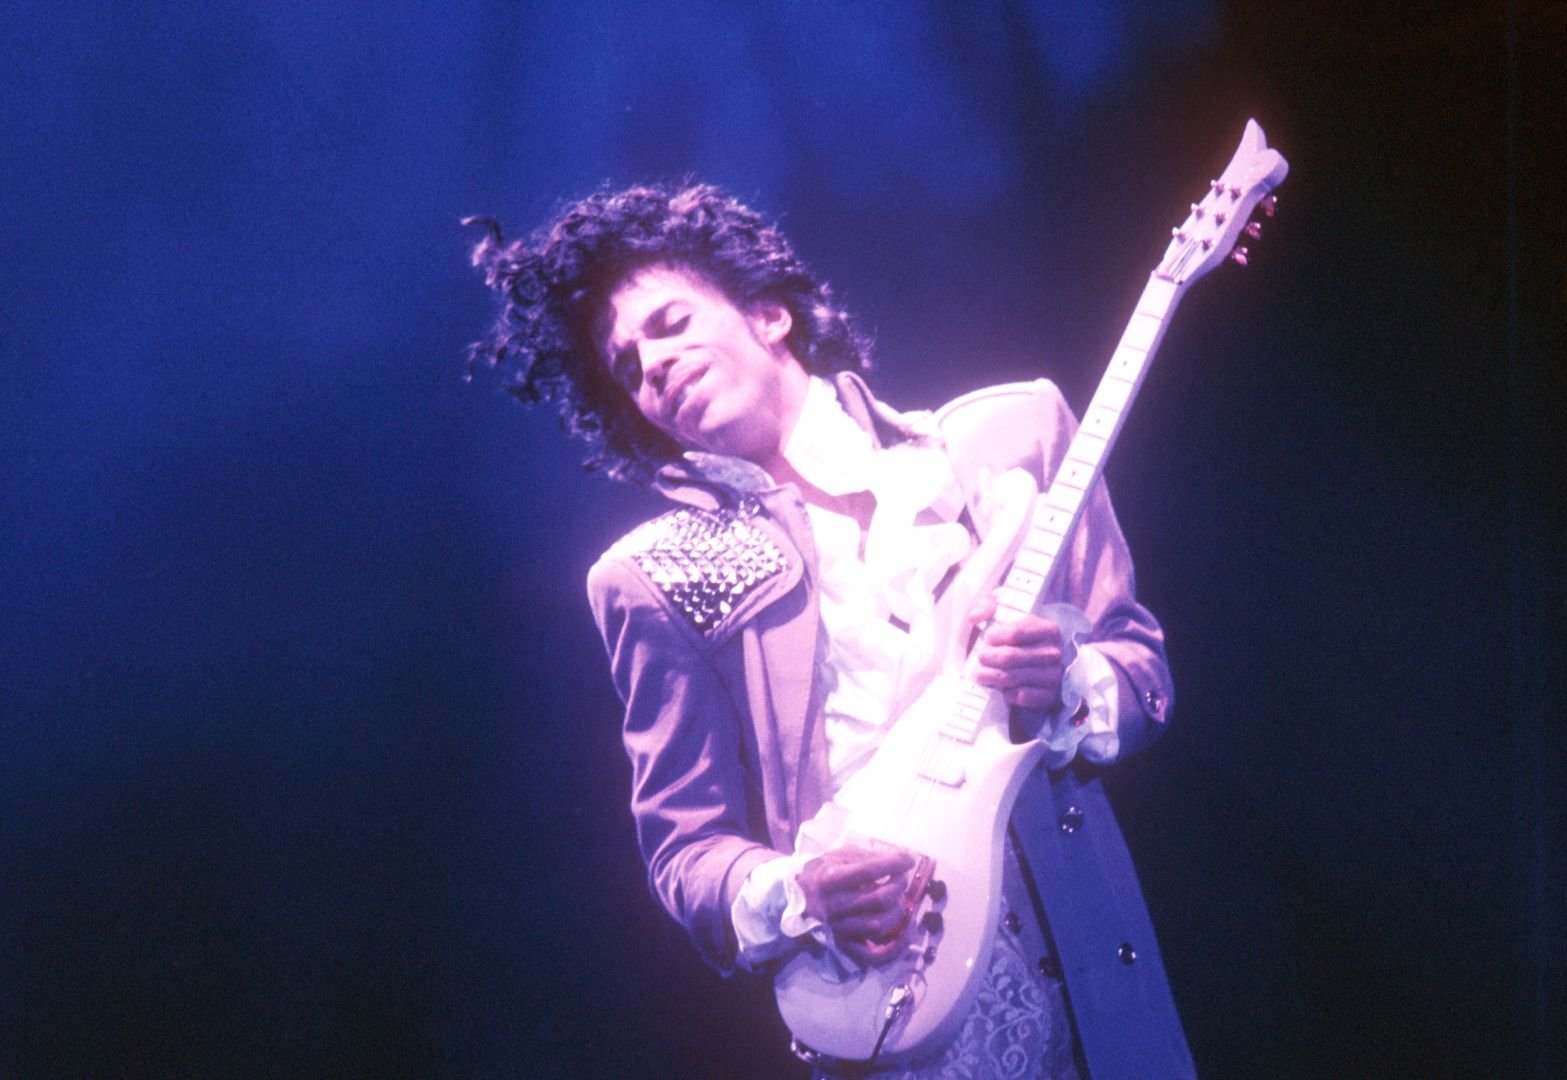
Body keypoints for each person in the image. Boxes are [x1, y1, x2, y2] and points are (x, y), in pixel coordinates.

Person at [468, 184, 1192, 1078]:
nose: (651, 364)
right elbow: (687, 852)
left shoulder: (1008, 440)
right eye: (626, 366)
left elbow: (1140, 667)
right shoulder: (653, 576)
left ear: (768, 315)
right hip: (893, 999)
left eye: (670, 324)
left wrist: (1069, 681)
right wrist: (801, 891)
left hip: (1091, 973)